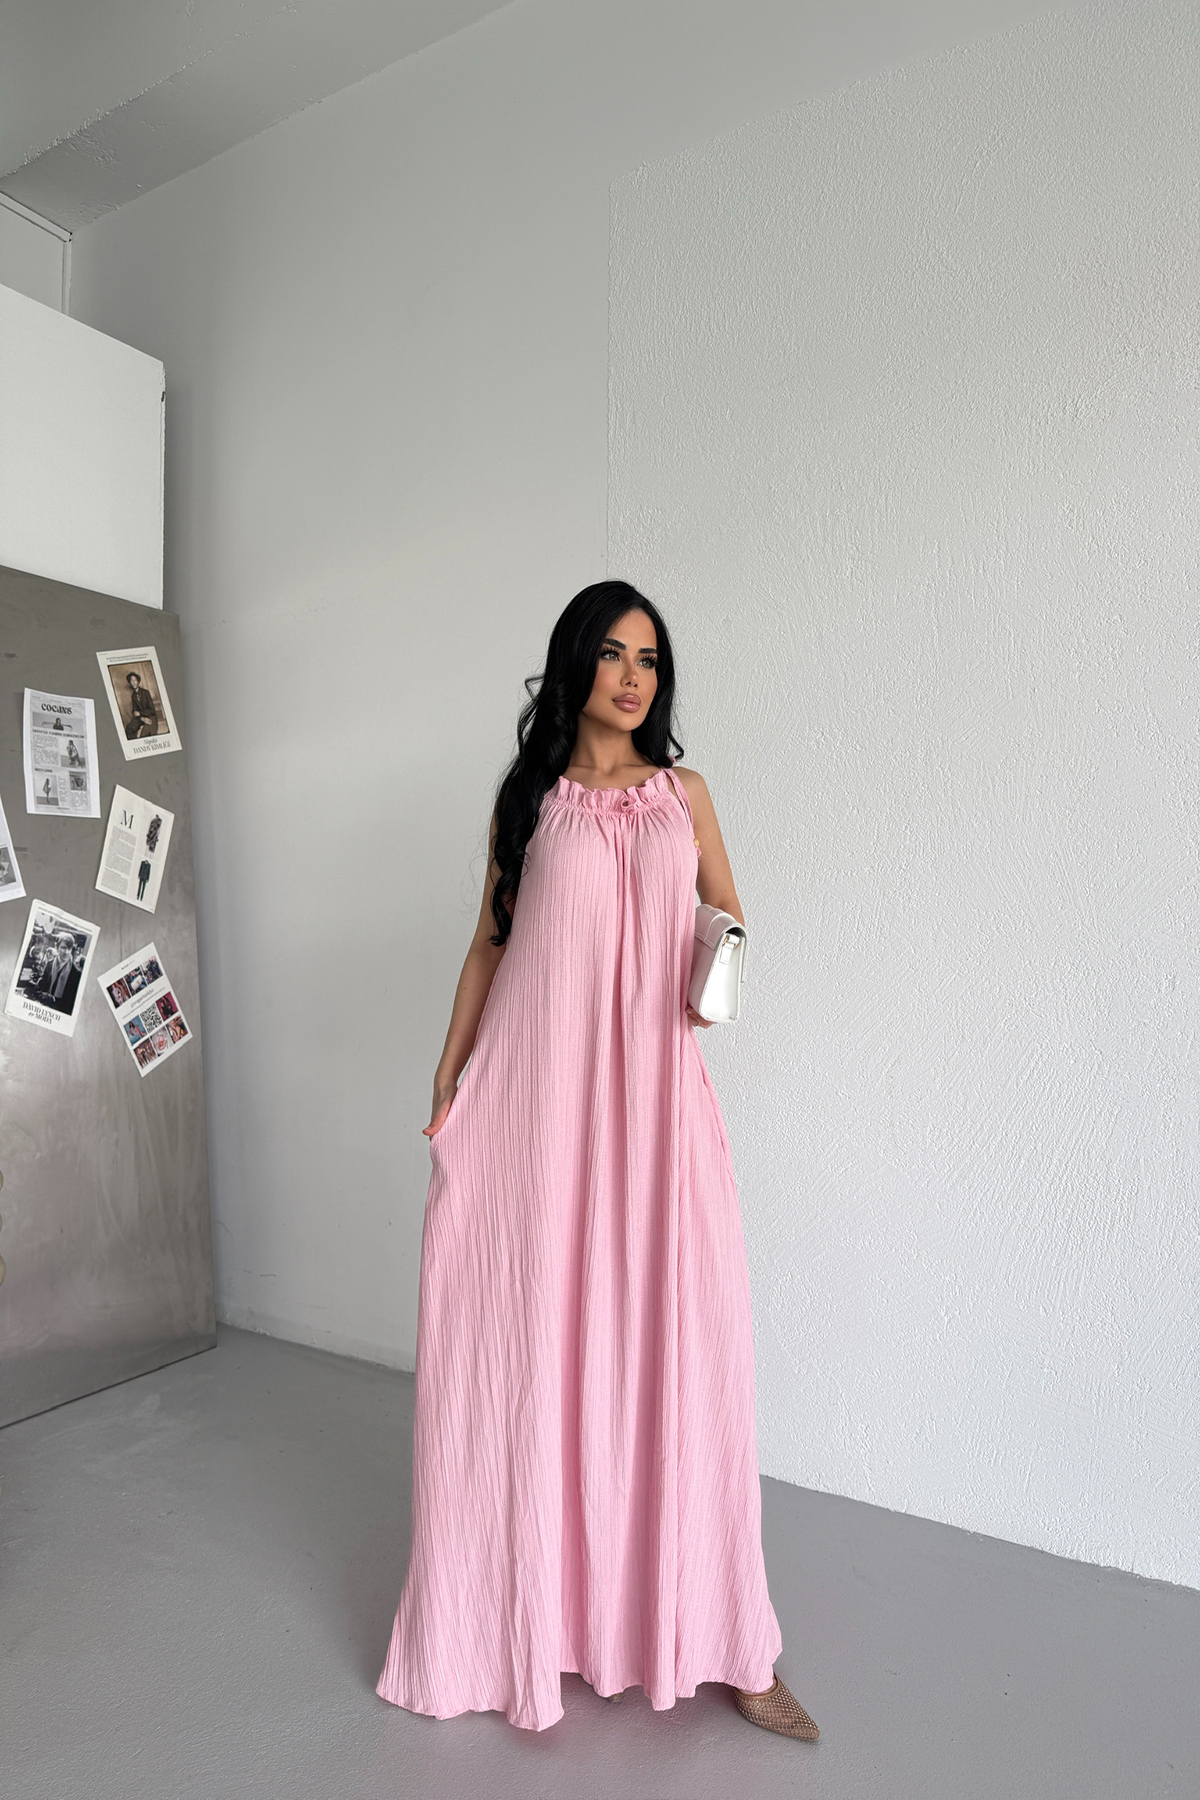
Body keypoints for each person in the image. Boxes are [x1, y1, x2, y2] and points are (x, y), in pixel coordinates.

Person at [376, 580, 818, 1742]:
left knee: (683, 1350)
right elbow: (490, 943)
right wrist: (449, 1073)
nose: (634, 677)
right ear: (576, 664)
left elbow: (728, 913)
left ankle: (725, 1640)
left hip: (656, 1106)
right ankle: (514, 1623)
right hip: (542, 1104)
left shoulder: (685, 794)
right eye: (615, 654)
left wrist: (718, 961)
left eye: (651, 660)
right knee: (527, 1345)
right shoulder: (528, 801)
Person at [123, 670, 158, 738]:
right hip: (141, 718)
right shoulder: (133, 696)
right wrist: (141, 717)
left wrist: (140, 713)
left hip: (151, 716)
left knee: (145, 733)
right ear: (130, 682)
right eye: (131, 680)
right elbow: (135, 710)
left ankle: (140, 731)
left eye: (135, 680)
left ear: (138, 681)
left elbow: (152, 710)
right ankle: (138, 733)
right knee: (129, 728)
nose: (133, 682)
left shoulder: (145, 692)